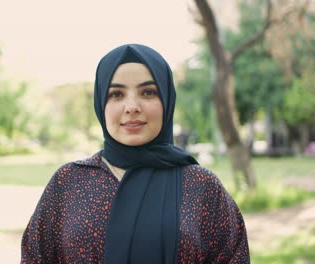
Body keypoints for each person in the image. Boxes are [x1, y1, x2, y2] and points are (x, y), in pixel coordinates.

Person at [21, 44, 249, 263]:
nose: (131, 106)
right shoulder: (69, 182)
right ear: (101, 103)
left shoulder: (201, 185)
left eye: (148, 92)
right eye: (116, 94)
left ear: (167, 101)